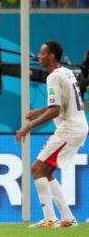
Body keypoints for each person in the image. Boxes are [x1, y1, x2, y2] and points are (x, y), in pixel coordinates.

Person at [16, 41, 87, 228]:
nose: (38, 56)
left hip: (69, 129)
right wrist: (39, 111)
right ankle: (68, 219)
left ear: (52, 56)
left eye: (42, 53)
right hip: (77, 126)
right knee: (46, 172)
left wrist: (28, 126)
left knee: (37, 169)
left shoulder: (53, 78)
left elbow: (55, 111)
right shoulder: (66, 72)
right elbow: (61, 104)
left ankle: (49, 218)